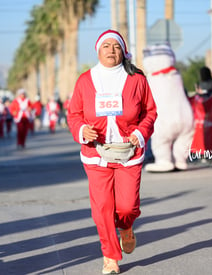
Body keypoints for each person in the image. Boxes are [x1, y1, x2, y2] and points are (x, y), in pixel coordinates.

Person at [67, 29, 157, 274]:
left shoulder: (137, 79)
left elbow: (150, 111)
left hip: (129, 152)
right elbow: (73, 113)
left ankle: (126, 227)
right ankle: (110, 257)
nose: (111, 50)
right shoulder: (85, 80)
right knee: (103, 207)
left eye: (116, 46)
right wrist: (82, 129)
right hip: (96, 153)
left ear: (123, 51)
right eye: (105, 46)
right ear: (98, 50)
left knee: (127, 207)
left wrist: (139, 133)